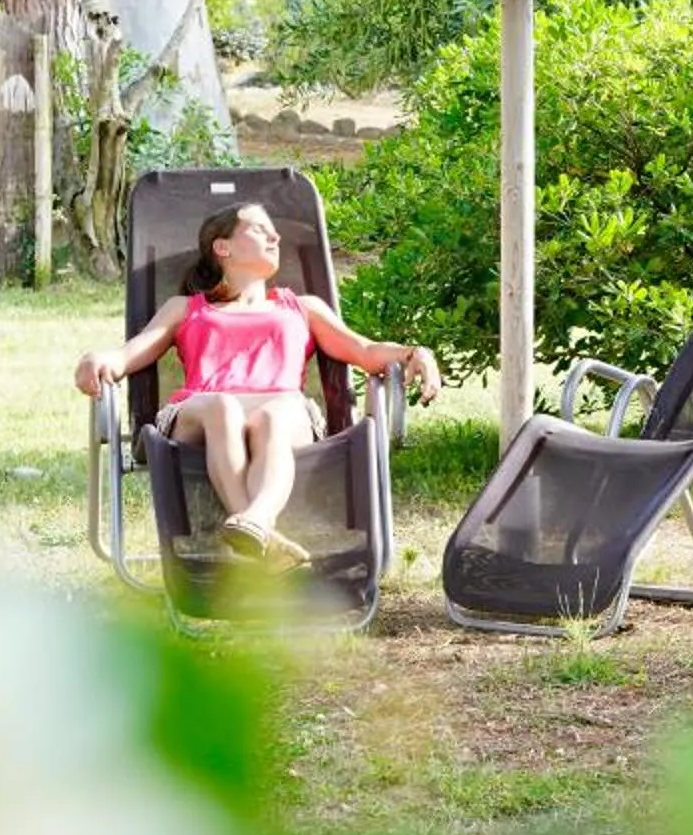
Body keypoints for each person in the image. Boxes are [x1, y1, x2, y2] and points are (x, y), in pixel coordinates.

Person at [73, 202, 439, 570]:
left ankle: (255, 525)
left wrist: (414, 353)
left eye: (273, 230)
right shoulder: (187, 308)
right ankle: (256, 524)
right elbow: (127, 355)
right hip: (202, 414)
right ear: (223, 247)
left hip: (283, 413)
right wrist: (96, 359)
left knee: (276, 412)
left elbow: (364, 350)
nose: (275, 236)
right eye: (259, 228)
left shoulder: (303, 307)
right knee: (223, 407)